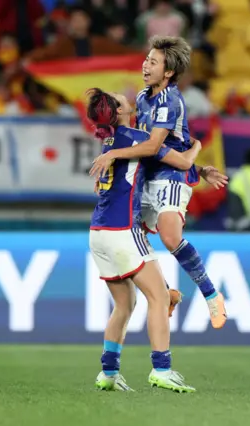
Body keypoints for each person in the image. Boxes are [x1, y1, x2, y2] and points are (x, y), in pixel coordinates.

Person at [90, 35, 228, 329]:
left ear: (168, 72)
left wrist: (113, 153)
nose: (145, 65)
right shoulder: (142, 97)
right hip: (151, 176)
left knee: (169, 236)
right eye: (146, 59)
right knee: (130, 234)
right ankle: (165, 292)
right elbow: (151, 145)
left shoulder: (171, 100)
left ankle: (211, 294)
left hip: (173, 176)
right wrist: (201, 166)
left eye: (153, 61)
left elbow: (153, 147)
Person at [87, 88, 197, 393]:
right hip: (123, 230)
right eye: (120, 101)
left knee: (124, 304)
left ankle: (108, 373)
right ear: (119, 113)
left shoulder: (110, 143)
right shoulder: (140, 139)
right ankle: (162, 368)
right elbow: (183, 162)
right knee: (158, 298)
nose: (127, 100)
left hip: (98, 233)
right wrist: (197, 147)